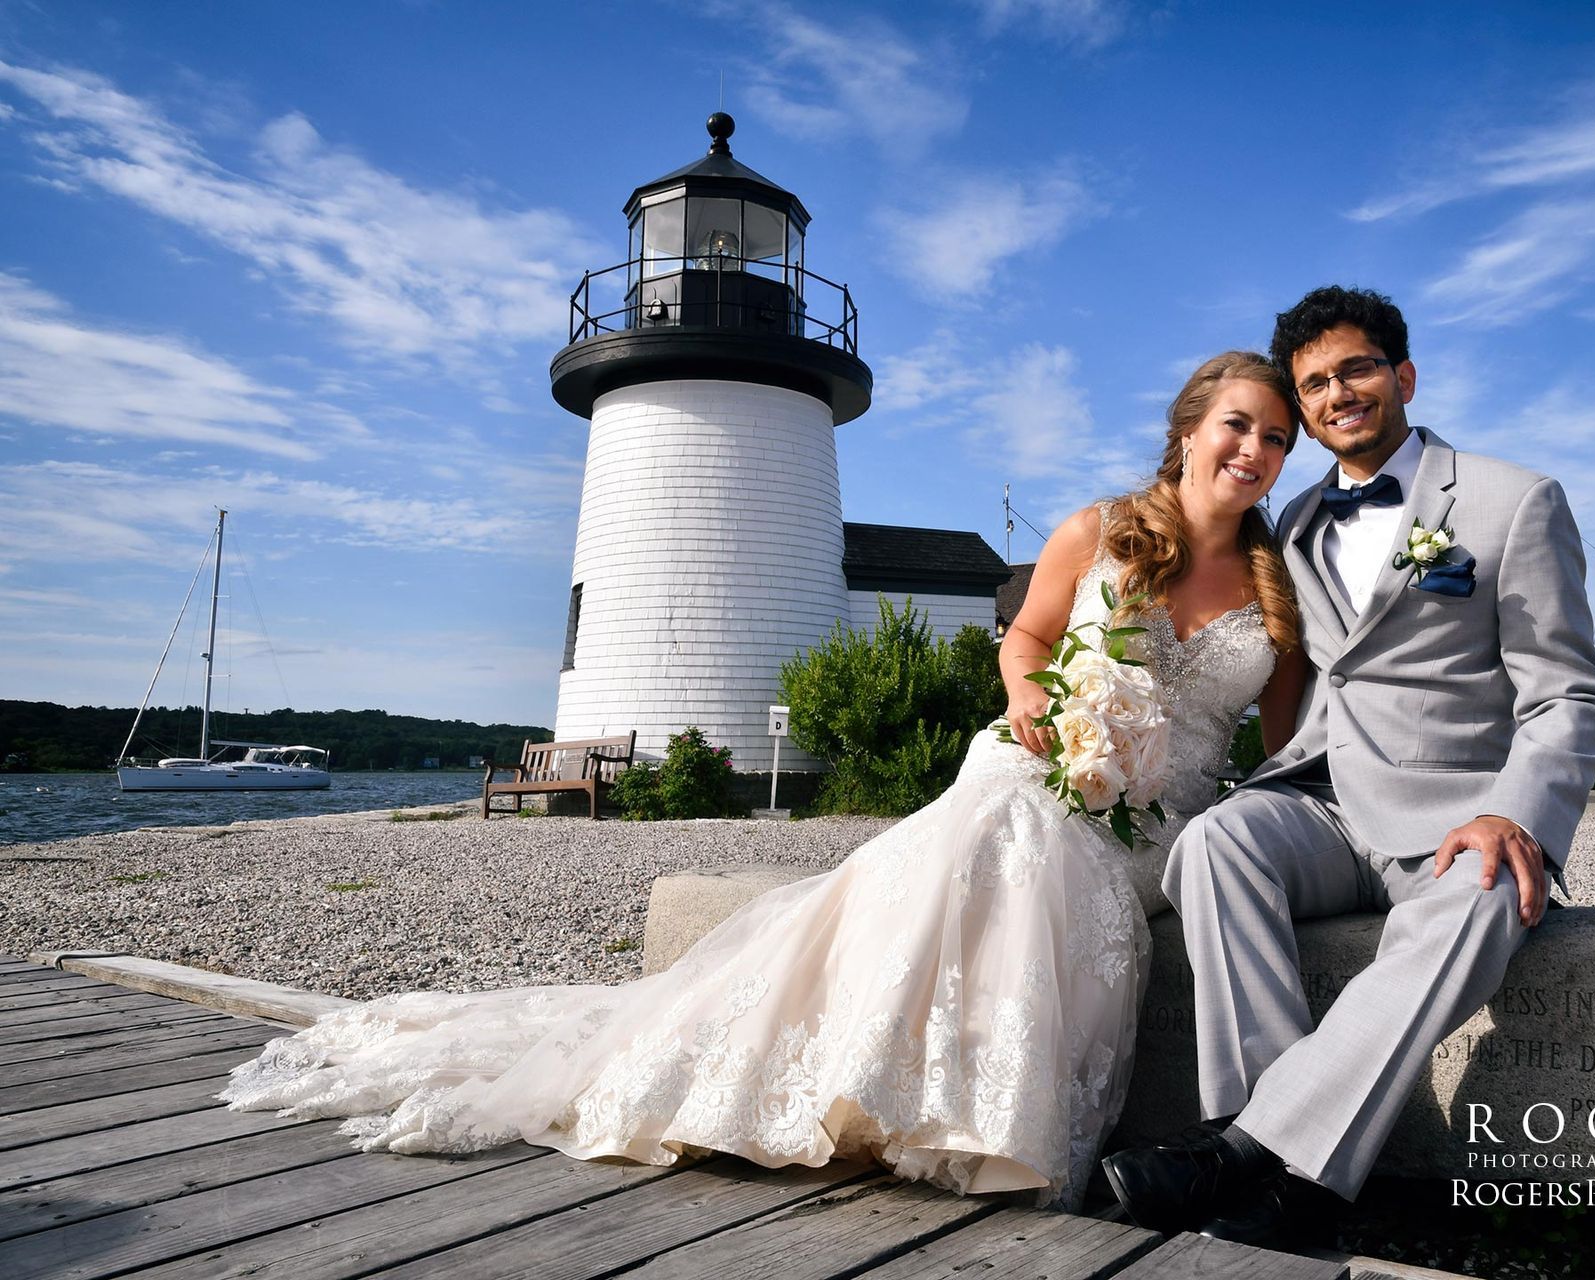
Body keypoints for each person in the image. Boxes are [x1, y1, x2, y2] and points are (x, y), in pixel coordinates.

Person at [220, 351, 1307, 1210]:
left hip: (1164, 818)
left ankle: (973, 1110)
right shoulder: (1100, 530)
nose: (1253, 449)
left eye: (1275, 435)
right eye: (1236, 425)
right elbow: (1024, 636)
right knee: (1011, 831)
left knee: (1046, 855)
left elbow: (1290, 728)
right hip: (1038, 763)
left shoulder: (1277, 585)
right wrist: (1032, 703)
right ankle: (922, 1108)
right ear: (1187, 430)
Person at [1102, 287, 1595, 1244]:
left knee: (1484, 896)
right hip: (1334, 803)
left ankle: (1251, 1161)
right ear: (1304, 409)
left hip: (1465, 815)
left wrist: (1517, 815)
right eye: (1315, 384)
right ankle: (1277, 1157)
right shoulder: (1290, 523)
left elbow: (1571, 695)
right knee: (1217, 841)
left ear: (1403, 375)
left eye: (1357, 369)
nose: (1339, 392)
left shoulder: (1513, 500)